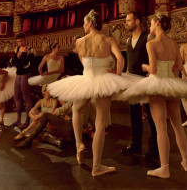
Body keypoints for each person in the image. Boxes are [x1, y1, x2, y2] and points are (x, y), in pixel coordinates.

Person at [119, 14, 187, 179]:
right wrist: (166, 67)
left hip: (157, 84)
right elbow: (179, 66)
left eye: (152, 23)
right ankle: (186, 161)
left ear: (157, 23)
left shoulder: (151, 43)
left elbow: (153, 69)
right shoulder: (174, 44)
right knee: (177, 126)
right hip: (171, 83)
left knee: (161, 128)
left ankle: (165, 168)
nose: (150, 27)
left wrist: (145, 66)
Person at [48, 10, 131, 176]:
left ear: (91, 23)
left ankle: (79, 143)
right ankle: (96, 166)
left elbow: (84, 63)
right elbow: (120, 59)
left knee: (77, 109)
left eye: (85, 23)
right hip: (103, 80)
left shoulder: (79, 42)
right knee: (100, 123)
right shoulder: (108, 40)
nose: (83, 25)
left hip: (86, 79)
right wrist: (117, 76)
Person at [121, 12, 158, 162]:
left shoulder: (147, 38)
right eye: (126, 21)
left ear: (137, 21)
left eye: (129, 20)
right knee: (134, 114)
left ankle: (153, 147)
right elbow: (130, 60)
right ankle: (135, 144)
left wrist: (150, 72)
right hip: (132, 80)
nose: (126, 23)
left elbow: (153, 58)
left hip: (145, 80)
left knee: (151, 115)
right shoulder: (128, 40)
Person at [10, 32, 36, 129]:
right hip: (18, 73)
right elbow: (14, 62)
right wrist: (18, 57)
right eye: (18, 42)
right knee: (16, 97)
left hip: (26, 74)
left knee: (26, 98)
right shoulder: (17, 49)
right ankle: (18, 120)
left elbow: (29, 64)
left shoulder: (31, 50)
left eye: (21, 41)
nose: (20, 43)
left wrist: (23, 54)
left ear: (25, 39)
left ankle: (27, 121)